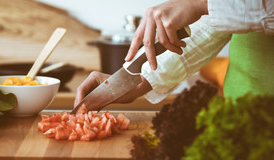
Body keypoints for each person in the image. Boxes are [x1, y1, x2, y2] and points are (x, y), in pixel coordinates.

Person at [74, 0, 274, 108]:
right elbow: (213, 24)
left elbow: (213, 9)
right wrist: (138, 81)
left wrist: (203, 5)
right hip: (238, 111)